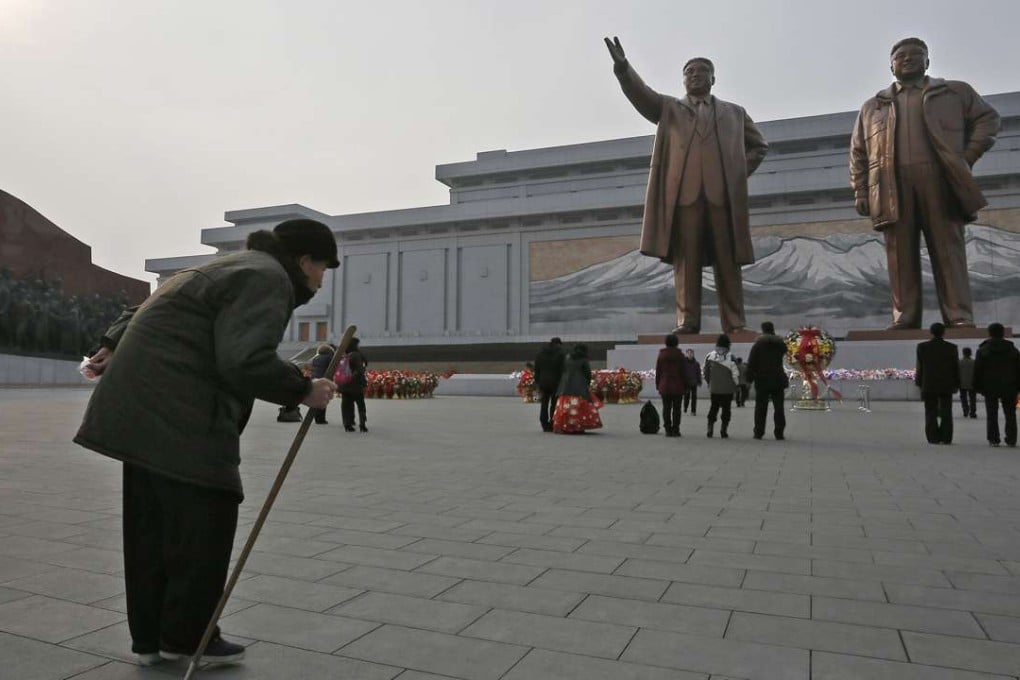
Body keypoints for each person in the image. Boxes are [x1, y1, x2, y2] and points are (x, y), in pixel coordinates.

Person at [73, 218, 339, 666]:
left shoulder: (231, 264)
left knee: (152, 531)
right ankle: (188, 637)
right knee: (206, 521)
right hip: (180, 414)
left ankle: (152, 641)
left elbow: (153, 305)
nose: (321, 280)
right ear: (303, 260)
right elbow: (243, 359)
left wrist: (112, 341)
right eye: (323, 269)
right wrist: (302, 390)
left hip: (136, 411)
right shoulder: (269, 277)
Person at [605, 37, 768, 334]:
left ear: (713, 79)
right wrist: (623, 69)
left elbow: (759, 146)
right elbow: (642, 95)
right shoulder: (669, 109)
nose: (695, 75)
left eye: (701, 71)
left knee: (727, 262)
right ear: (683, 79)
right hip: (684, 199)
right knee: (686, 261)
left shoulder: (735, 113)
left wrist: (736, 173)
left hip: (723, 199)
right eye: (689, 71)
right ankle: (687, 321)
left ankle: (735, 322)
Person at [850, 37, 1000, 330]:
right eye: (901, 55)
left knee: (948, 248)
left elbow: (988, 120)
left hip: (940, 180)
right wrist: (861, 189)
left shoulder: (954, 92)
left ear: (928, 62)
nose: (908, 59)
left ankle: (958, 315)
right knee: (899, 253)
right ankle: (905, 317)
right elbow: (858, 152)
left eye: (916, 55)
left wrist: (966, 157)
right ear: (891, 66)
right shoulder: (873, 106)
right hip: (891, 184)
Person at [973, 323, 1020, 447]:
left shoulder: (983, 350)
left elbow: (978, 370)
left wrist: (977, 386)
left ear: (989, 333)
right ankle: (1011, 439)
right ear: (1003, 333)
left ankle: (994, 439)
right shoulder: (1013, 350)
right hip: (1010, 385)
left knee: (992, 414)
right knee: (1010, 414)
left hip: (990, 386)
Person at [915, 322, 960, 444]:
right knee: (946, 411)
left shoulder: (922, 347)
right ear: (943, 332)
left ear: (931, 332)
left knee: (930, 411)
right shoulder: (951, 347)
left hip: (929, 384)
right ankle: (946, 437)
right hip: (946, 384)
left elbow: (920, 368)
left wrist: (919, 383)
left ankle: (933, 437)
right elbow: (955, 367)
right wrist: (957, 384)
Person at [746, 321, 788, 441]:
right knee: (779, 408)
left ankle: (759, 432)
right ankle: (779, 432)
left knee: (760, 408)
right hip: (778, 379)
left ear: (763, 330)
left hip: (762, 379)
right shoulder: (779, 344)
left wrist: (749, 379)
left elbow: (751, 363)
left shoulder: (758, 345)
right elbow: (786, 350)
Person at [552, 343, 603, 434]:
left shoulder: (567, 357)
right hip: (579, 385)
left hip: (565, 385)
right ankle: (578, 426)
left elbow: (563, 369)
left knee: (565, 406)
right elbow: (587, 373)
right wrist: (586, 383)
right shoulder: (583, 359)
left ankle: (565, 425)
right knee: (579, 406)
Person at [703, 334, 739, 438]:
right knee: (726, 409)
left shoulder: (710, 356)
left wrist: (710, 383)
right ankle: (723, 430)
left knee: (713, 407)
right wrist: (736, 386)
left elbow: (706, 373)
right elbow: (736, 374)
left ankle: (710, 428)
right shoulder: (731, 357)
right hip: (727, 389)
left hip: (714, 388)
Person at [655, 334, 687, 437]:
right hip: (678, 384)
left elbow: (658, 372)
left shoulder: (661, 355)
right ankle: (676, 429)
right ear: (676, 343)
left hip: (665, 384)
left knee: (666, 408)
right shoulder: (680, 355)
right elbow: (684, 372)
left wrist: (658, 384)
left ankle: (668, 429)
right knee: (677, 409)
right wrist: (686, 385)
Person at [534, 337, 567, 432]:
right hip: (556, 382)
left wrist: (537, 382)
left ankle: (544, 424)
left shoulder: (540, 353)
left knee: (544, 403)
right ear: (559, 344)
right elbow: (563, 369)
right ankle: (552, 423)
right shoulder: (561, 354)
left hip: (543, 382)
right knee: (554, 403)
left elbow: (537, 369)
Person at [338, 337, 369, 432]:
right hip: (356, 385)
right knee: (360, 405)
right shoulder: (356, 355)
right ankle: (362, 424)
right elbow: (360, 369)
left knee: (346, 405)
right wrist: (353, 378)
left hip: (344, 384)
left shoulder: (344, 355)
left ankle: (347, 424)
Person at [309, 344, 335, 424]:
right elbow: (333, 367)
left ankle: (316, 417)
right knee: (323, 399)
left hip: (315, 380)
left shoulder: (315, 358)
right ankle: (321, 419)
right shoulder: (329, 358)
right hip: (324, 379)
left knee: (317, 399)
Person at [959, 347, 977, 419]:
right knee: (972, 398)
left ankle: (965, 410)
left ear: (963, 353)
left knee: (963, 398)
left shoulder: (960, 362)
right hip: (972, 383)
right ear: (970, 353)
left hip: (962, 383)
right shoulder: (974, 362)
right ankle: (973, 412)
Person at [682, 348, 701, 415]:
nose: (690, 354)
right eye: (688, 353)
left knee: (694, 397)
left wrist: (699, 381)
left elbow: (698, 373)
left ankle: (693, 411)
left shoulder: (696, 364)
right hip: (686, 383)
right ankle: (685, 407)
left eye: (691, 353)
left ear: (693, 354)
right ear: (686, 354)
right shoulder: (683, 363)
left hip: (694, 382)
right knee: (686, 396)